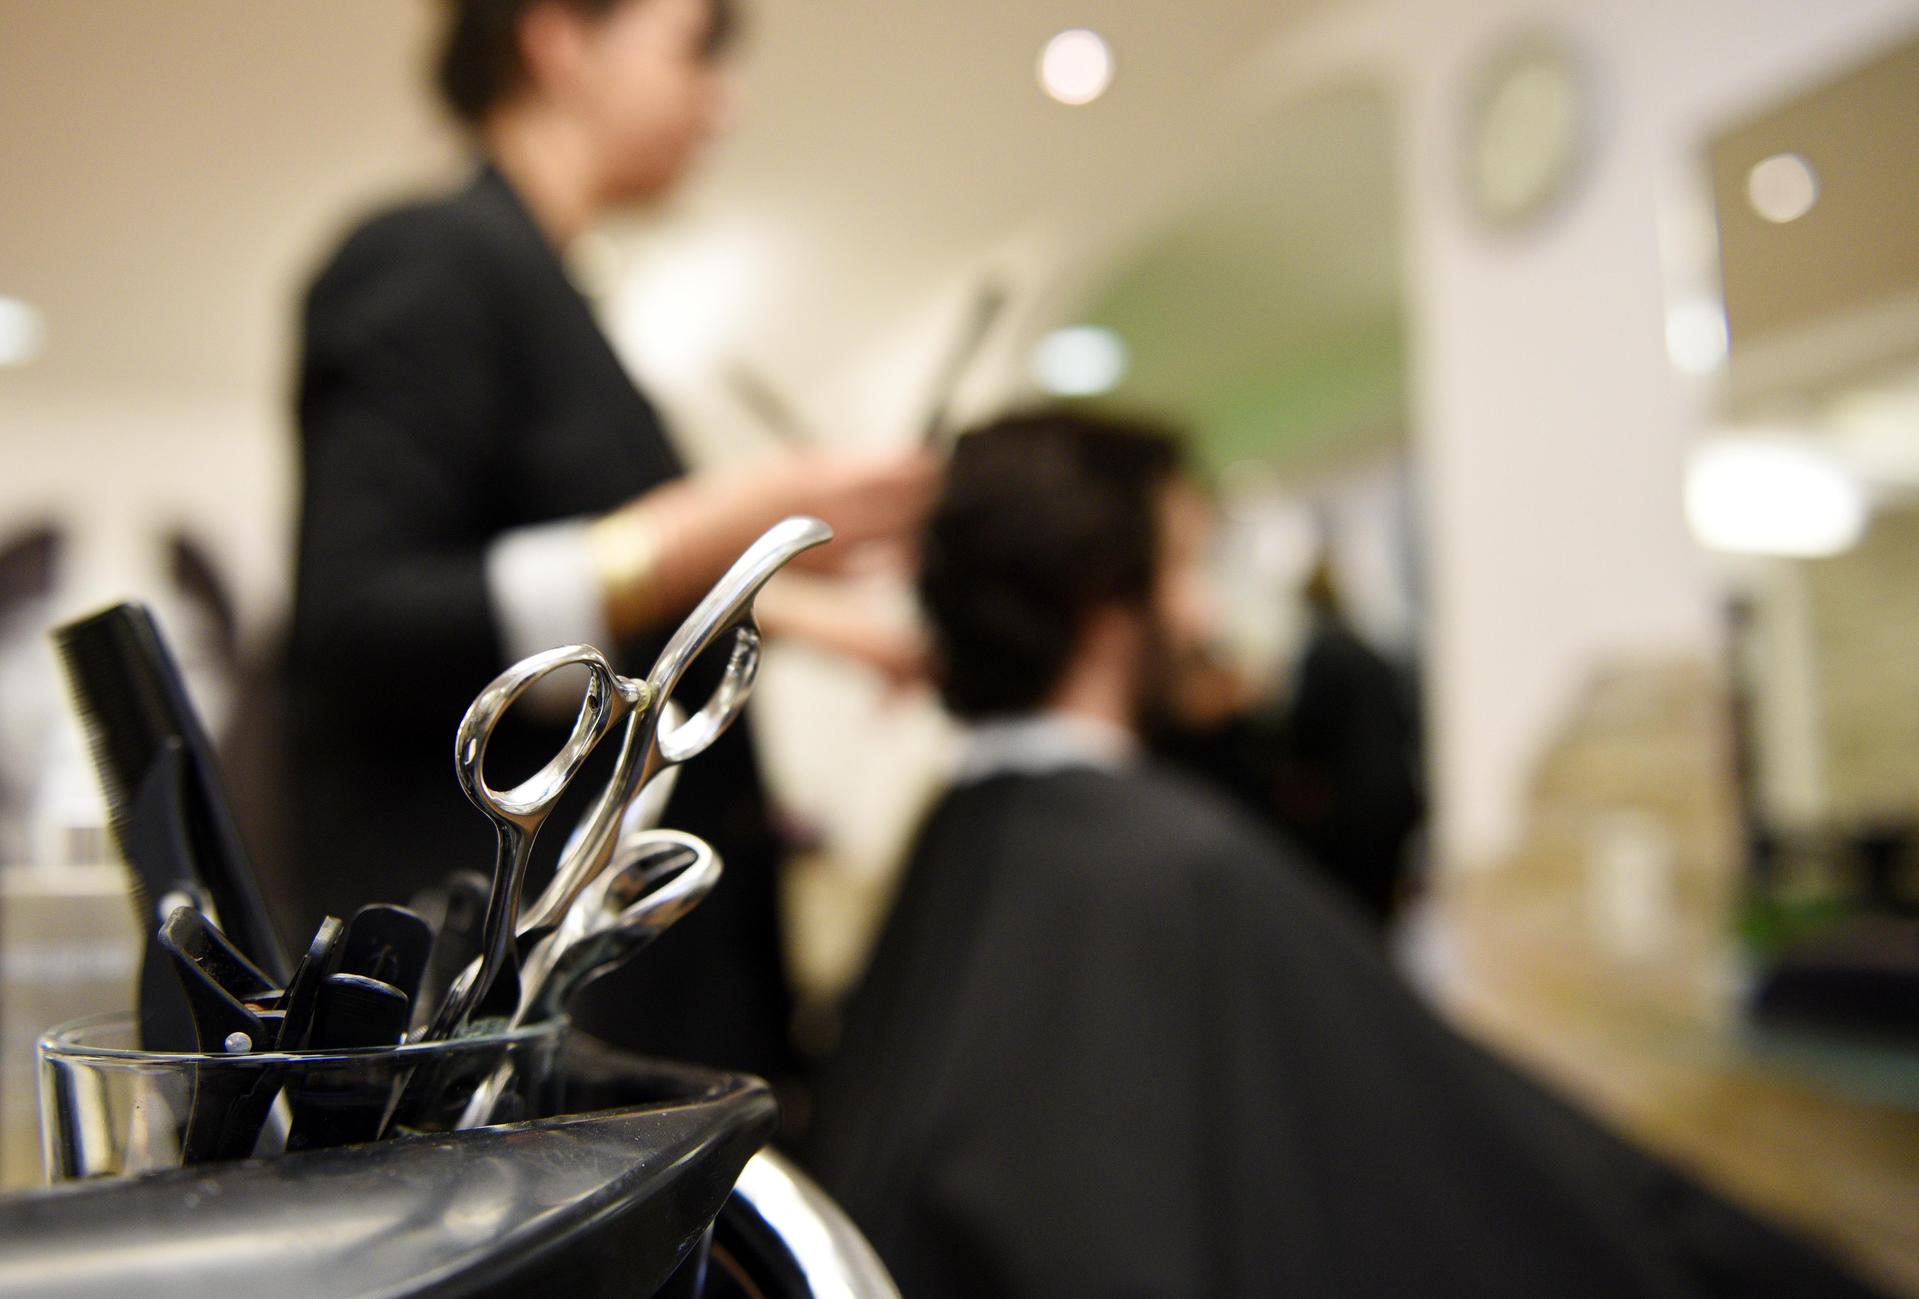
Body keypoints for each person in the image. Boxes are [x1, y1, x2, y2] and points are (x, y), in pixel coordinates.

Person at [805, 409, 1881, 1298]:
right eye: (1185, 566)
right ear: (1103, 595)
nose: (1204, 611)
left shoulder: (961, 836)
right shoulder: (1173, 865)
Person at [281, 0, 933, 1081]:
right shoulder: (428, 255)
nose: (723, 102)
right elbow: (363, 622)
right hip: (516, 1037)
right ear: (558, 38)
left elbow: (584, 595)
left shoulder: (550, 296)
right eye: (694, 51)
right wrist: (708, 526)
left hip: (610, 1021)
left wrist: (790, 600)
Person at [1275, 556, 1424, 926]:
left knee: (1356, 913)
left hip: (1355, 806)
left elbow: (1307, 731)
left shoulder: (1322, 655)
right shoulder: (1369, 651)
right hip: (1395, 796)